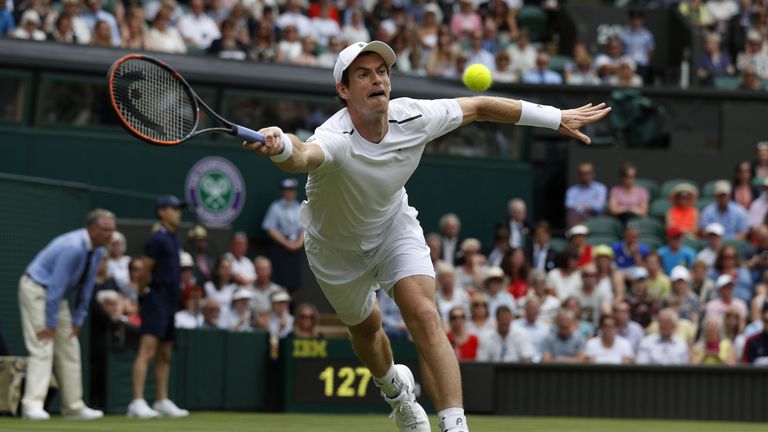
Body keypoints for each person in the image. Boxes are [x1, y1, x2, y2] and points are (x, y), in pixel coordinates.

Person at [242, 40, 609, 432]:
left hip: (393, 227)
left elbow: (480, 106)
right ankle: (397, 396)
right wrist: (282, 146)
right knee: (366, 332)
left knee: (423, 314)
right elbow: (303, 156)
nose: (377, 79)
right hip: (335, 249)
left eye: (382, 71)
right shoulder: (334, 137)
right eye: (363, 74)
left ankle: (454, 425)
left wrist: (556, 118)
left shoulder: (415, 115)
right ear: (344, 91)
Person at [18, 209, 115, 420]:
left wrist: (78, 318)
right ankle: (31, 405)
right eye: (106, 230)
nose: (111, 234)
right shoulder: (72, 247)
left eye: (112, 230)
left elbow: (87, 286)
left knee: (70, 346)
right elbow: (56, 284)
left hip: (55, 296)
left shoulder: (98, 251)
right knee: (42, 345)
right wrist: (51, 322)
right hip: (36, 289)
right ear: (92, 229)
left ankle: (73, 407)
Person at [128, 196, 189, 419]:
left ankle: (162, 400)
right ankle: (136, 401)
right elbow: (145, 270)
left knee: (165, 353)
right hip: (156, 299)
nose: (178, 213)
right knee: (147, 351)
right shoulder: (157, 239)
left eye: (178, 209)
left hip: (171, 301)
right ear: (162, 212)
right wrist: (143, 293)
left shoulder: (175, 239)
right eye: (173, 209)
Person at [262, 178, 304, 292]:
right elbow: (270, 229)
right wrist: (287, 244)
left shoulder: (300, 207)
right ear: (282, 191)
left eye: (292, 190)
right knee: (279, 280)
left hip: (296, 248)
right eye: (287, 190)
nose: (290, 193)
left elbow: (305, 229)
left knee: (293, 281)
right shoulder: (275, 207)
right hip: (281, 247)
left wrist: (298, 244)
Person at [565, 162, 607, 227]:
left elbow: (599, 207)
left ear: (593, 174)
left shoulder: (600, 188)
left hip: (595, 219)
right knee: (572, 214)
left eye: (588, 173)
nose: (585, 176)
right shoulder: (572, 190)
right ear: (578, 175)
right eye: (582, 173)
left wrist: (581, 207)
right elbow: (569, 206)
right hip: (576, 219)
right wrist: (586, 207)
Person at [513, 297, 550, 362]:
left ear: (538, 311)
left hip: (539, 364)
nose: (532, 311)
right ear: (525, 310)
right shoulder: (515, 325)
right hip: (519, 363)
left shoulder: (545, 328)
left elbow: (547, 349)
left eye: (535, 308)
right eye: (530, 308)